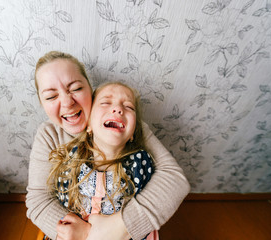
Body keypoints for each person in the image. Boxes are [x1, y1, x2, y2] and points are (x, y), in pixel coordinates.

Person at [26, 51, 190, 240]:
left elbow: (175, 180)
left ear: (90, 88)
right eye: (51, 96)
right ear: (42, 104)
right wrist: (76, 233)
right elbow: (38, 200)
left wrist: (120, 226)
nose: (67, 102)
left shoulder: (126, 125)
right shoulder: (49, 135)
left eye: (76, 88)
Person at [48, 82, 159, 240]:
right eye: (106, 102)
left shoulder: (140, 163)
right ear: (89, 125)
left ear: (133, 133)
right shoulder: (72, 160)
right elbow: (64, 207)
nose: (118, 109)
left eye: (129, 106)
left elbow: (144, 212)